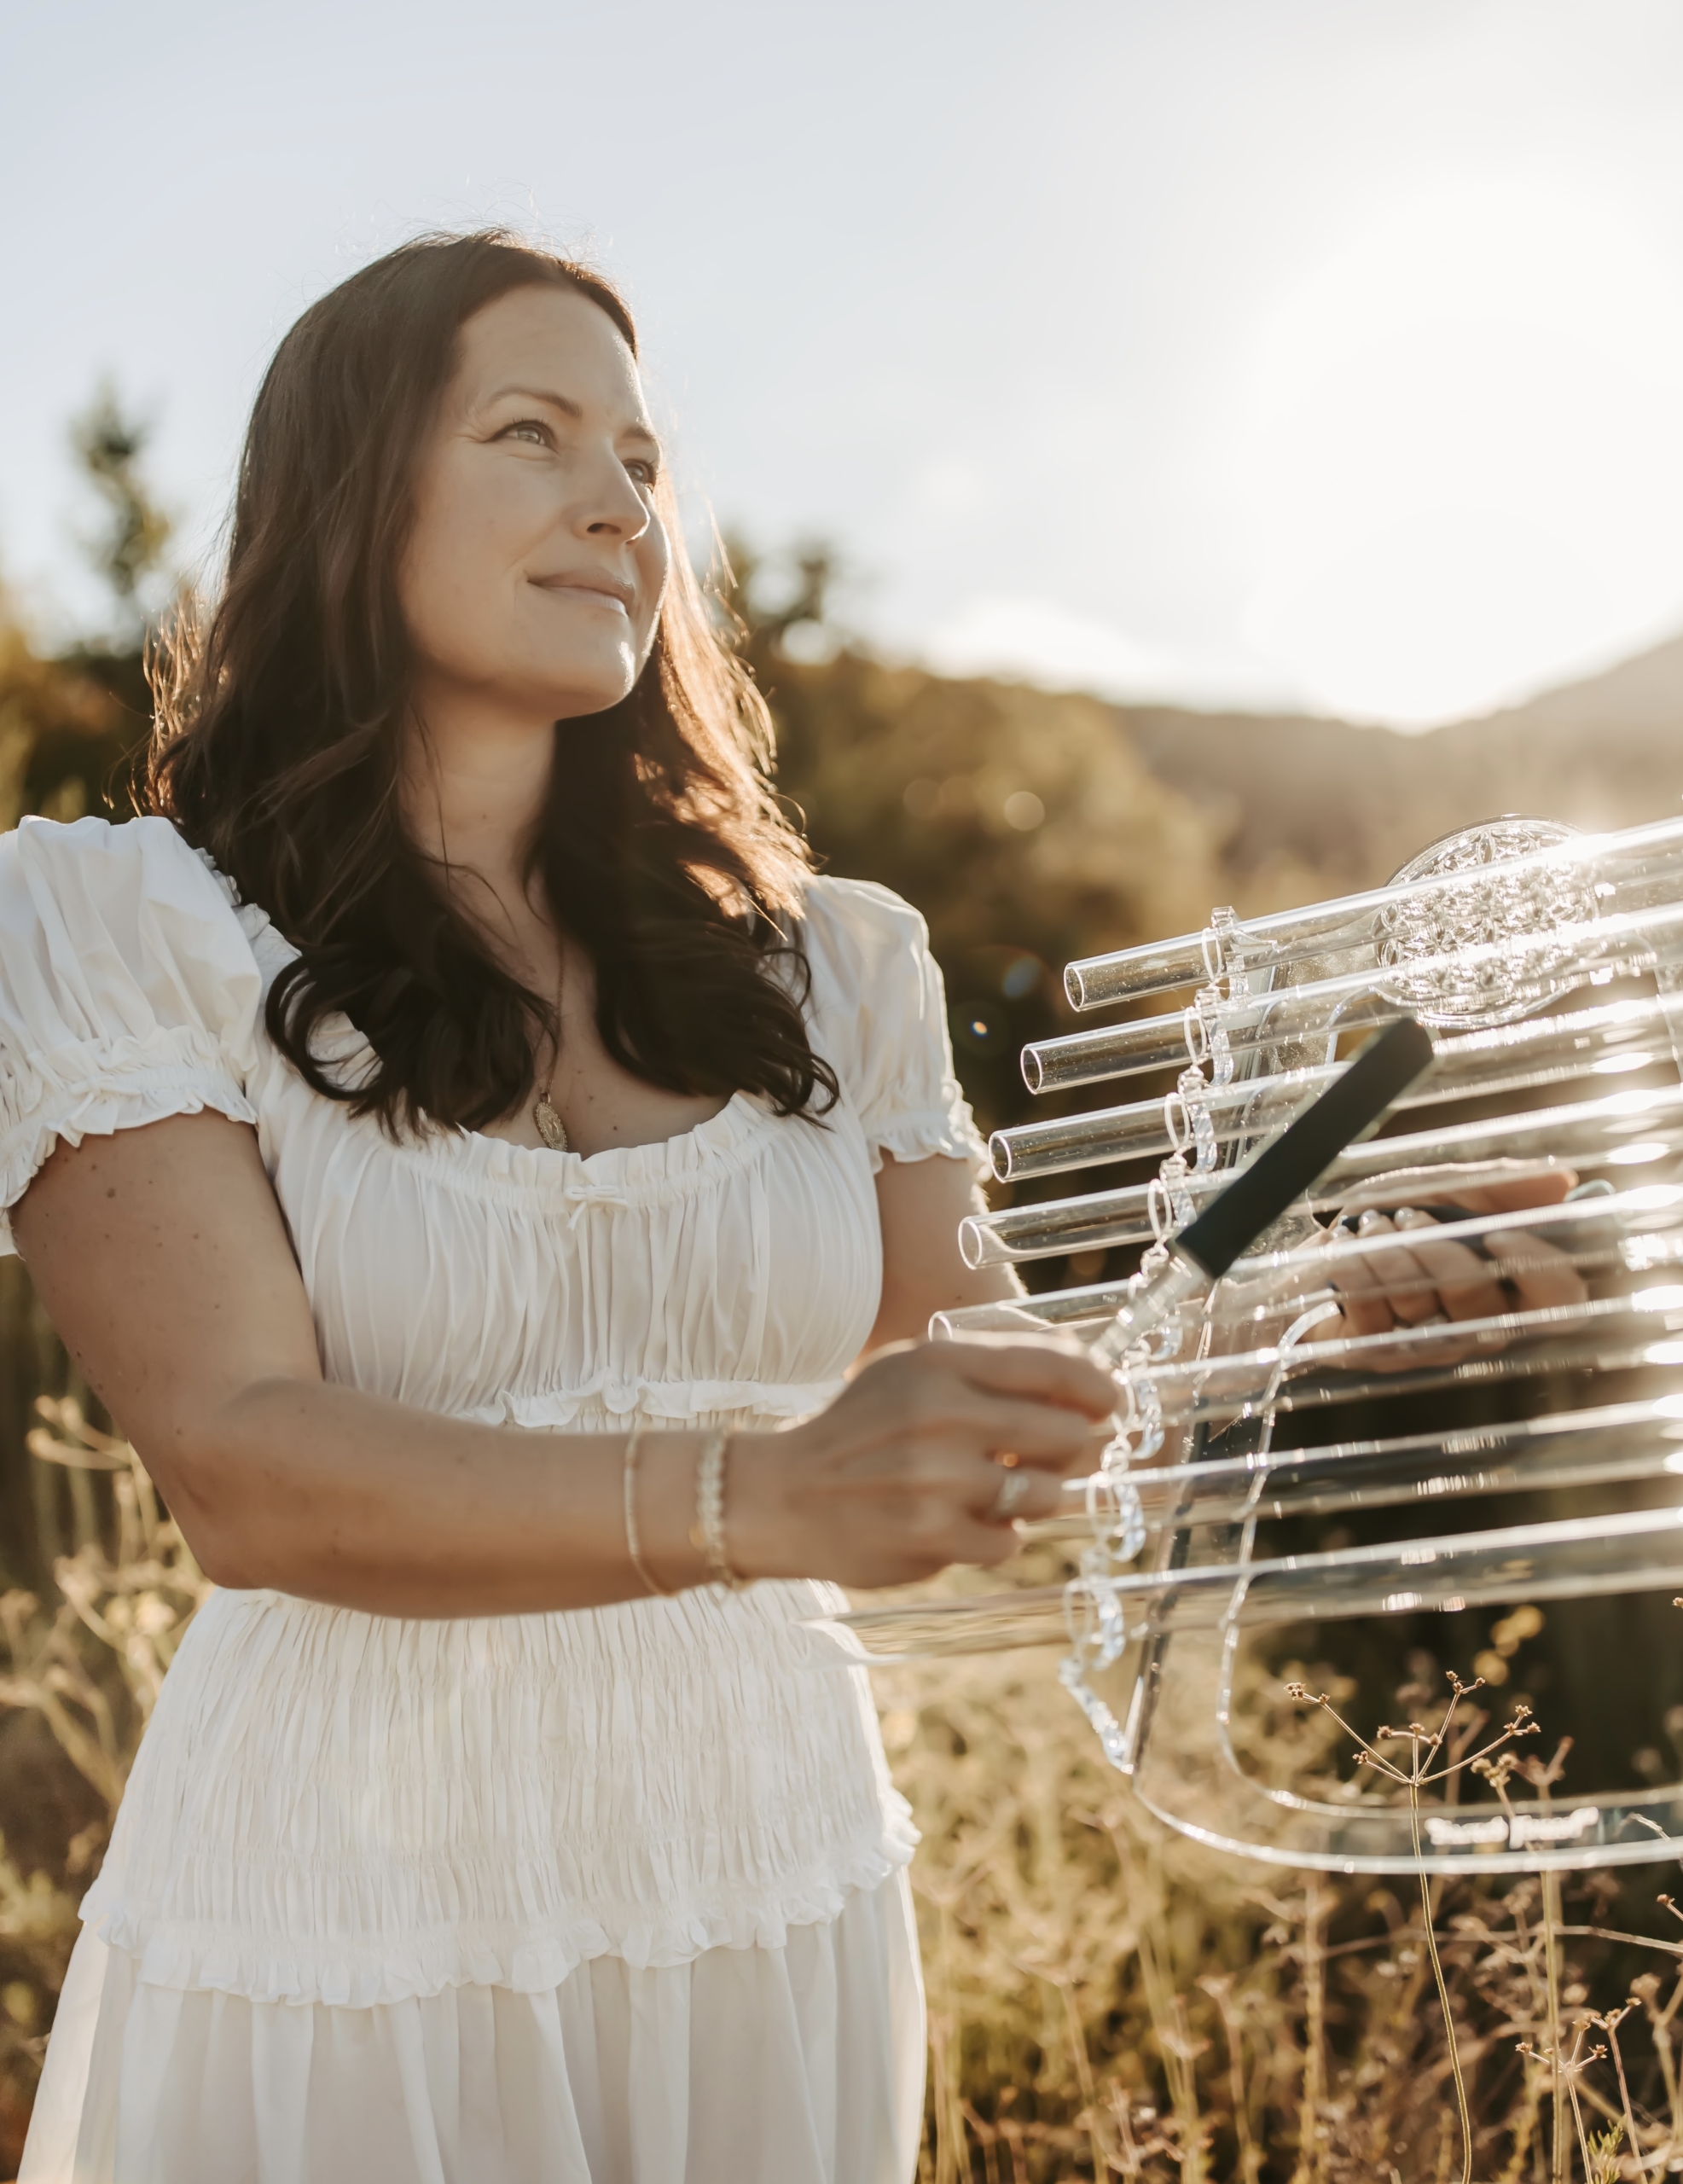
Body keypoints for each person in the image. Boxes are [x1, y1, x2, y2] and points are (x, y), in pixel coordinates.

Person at [5, 230, 1119, 2183]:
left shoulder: (841, 962)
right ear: (355, 495)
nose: (620, 500)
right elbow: (244, 1468)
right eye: (535, 433)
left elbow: (988, 1371)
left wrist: (1322, 1302)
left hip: (764, 1870)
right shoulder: (113, 929)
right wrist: (755, 1499)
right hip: (346, 1912)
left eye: (643, 457)